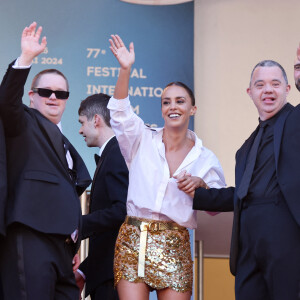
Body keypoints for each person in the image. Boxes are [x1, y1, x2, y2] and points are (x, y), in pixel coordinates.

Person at [107, 34, 225, 300]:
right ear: (161, 109)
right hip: (134, 239)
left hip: (176, 243)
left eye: (180, 101)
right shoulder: (141, 139)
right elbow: (119, 112)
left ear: (192, 109)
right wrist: (125, 69)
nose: (173, 106)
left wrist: (201, 187)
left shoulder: (206, 158)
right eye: (166, 101)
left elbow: (216, 207)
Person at [179, 59, 300, 300]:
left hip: (287, 241)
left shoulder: (296, 121)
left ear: (287, 89)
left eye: (275, 84)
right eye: (260, 84)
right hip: (246, 245)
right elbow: (243, 194)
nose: (268, 90)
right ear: (250, 92)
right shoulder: (245, 149)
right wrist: (201, 193)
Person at [0, 22, 91, 299]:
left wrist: (72, 243)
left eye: (61, 94)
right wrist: (26, 58)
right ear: (31, 97)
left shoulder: (66, 144)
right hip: (30, 235)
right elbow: (6, 102)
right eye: (45, 92)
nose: (53, 97)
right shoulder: (22, 122)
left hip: (63, 249)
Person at [74, 93, 128, 300]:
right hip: (105, 275)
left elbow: (122, 211)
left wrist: (77, 225)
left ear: (96, 120)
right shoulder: (113, 153)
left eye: (81, 122)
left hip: (113, 277)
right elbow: (109, 234)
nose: (80, 130)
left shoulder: (117, 153)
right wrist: (84, 271)